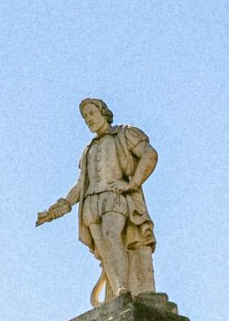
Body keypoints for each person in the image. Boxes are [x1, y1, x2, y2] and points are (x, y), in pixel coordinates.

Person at [36, 98, 159, 304]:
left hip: (115, 198)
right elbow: (81, 184)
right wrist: (64, 204)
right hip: (91, 204)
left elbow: (149, 154)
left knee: (113, 234)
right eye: (85, 117)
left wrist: (133, 184)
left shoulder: (124, 133)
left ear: (104, 113)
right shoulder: (88, 150)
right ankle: (120, 292)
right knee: (104, 250)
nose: (88, 120)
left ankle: (125, 289)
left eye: (92, 114)